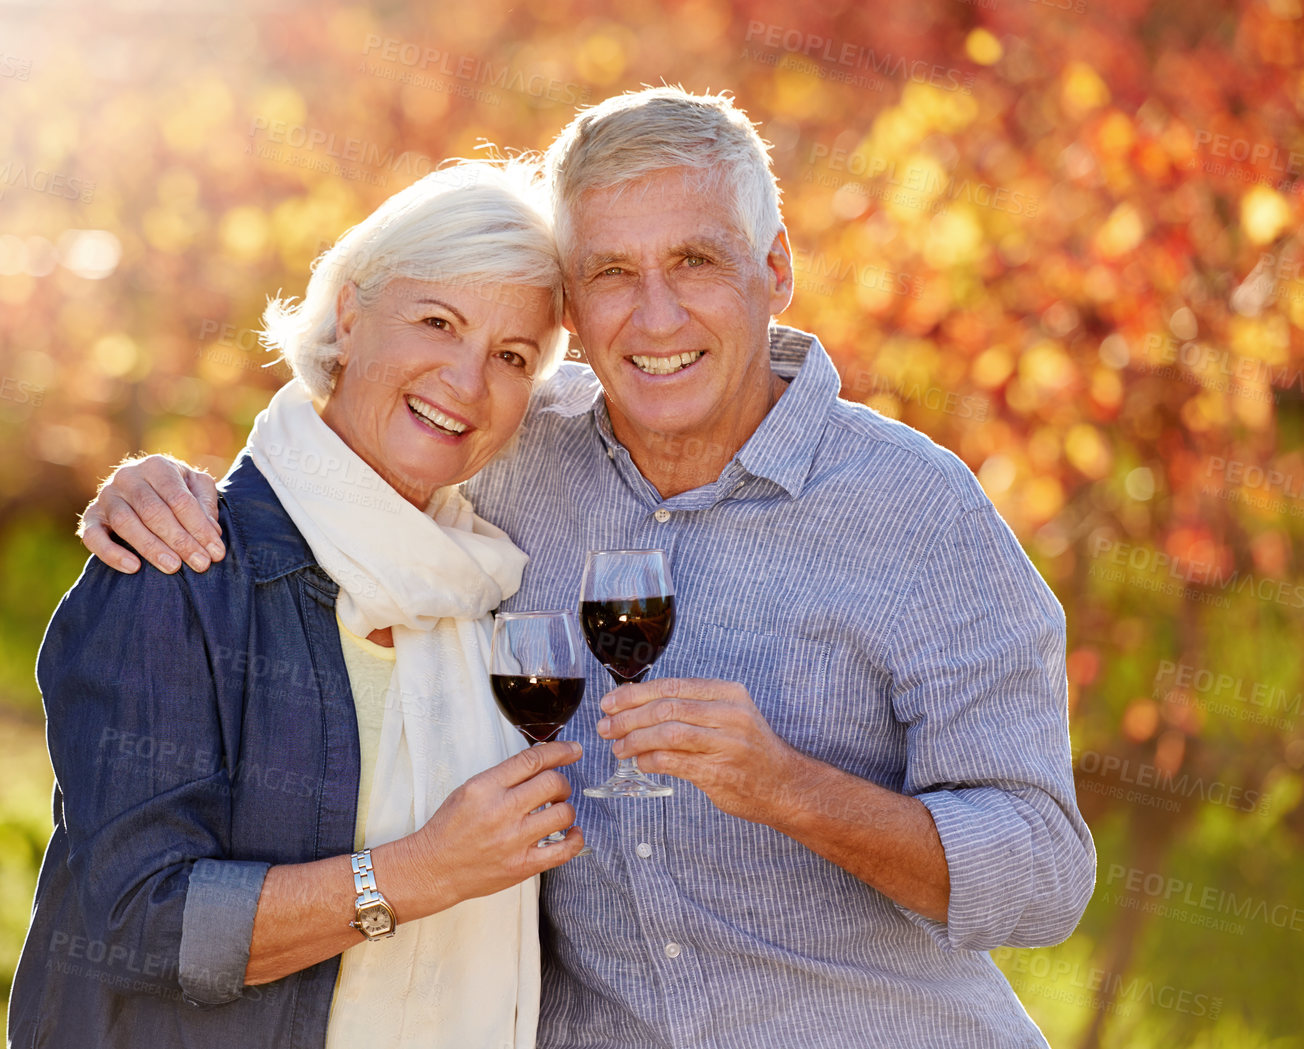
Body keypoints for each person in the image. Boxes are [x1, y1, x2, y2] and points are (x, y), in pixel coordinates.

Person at [77, 87, 1096, 1048]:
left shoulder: (917, 511)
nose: (653, 318)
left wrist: (787, 786)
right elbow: (353, 459)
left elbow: (1042, 872)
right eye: (611, 272)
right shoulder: (511, 440)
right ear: (572, 299)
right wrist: (159, 485)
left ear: (773, 269)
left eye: (694, 260)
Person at [7, 159, 588, 1049]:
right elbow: (135, 920)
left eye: (512, 357)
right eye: (438, 322)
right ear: (351, 313)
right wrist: (422, 871)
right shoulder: (182, 567)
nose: (467, 383)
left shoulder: (493, 582)